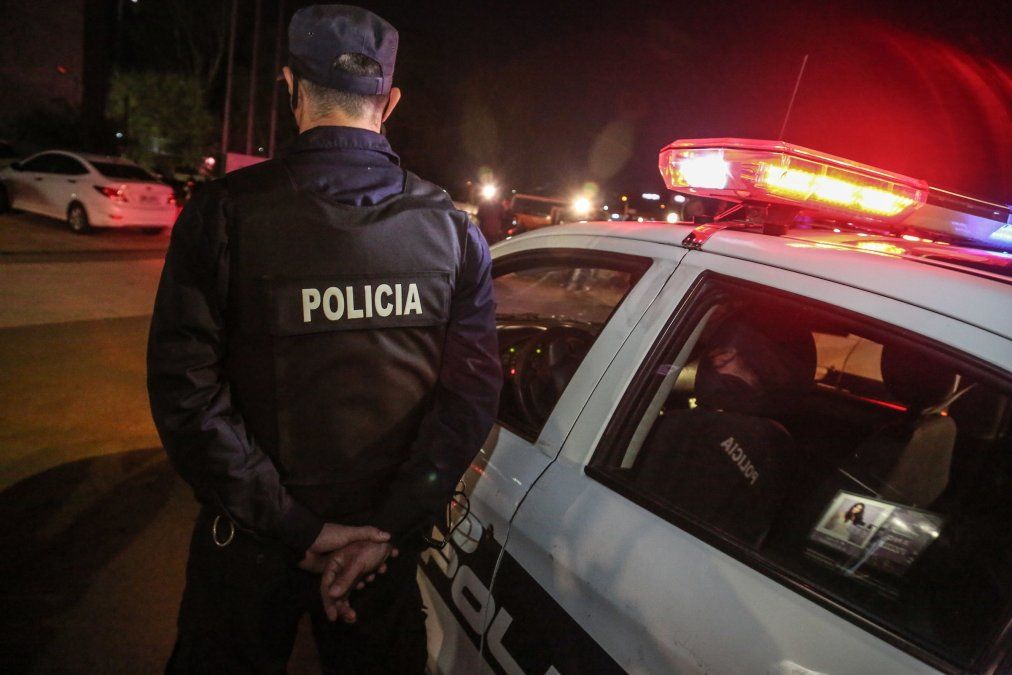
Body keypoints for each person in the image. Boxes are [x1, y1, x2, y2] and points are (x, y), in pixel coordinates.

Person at [147, 4, 502, 672]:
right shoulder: (454, 232)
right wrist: (386, 529)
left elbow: (186, 394)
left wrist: (294, 528)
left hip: (247, 549)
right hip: (379, 553)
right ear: (388, 101)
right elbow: (471, 399)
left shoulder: (223, 215)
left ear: (288, 88)